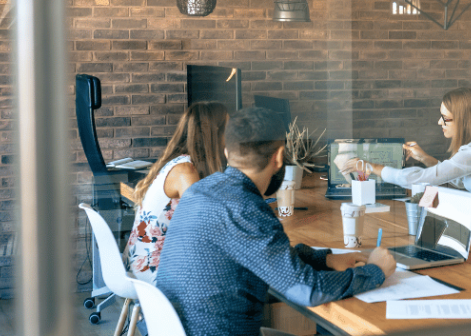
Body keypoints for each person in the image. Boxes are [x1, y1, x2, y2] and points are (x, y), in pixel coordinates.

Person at [155, 107, 396, 335]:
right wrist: (375, 271)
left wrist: (326, 259)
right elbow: (307, 290)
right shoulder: (245, 207)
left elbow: (265, 255)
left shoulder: (202, 189)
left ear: (227, 152)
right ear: (279, 157)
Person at [337, 87, 471, 201]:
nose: (439, 122)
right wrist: (425, 158)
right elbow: (458, 180)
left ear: (464, 120)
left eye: (445, 118)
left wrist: (375, 168)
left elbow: (424, 178)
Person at [123, 101, 228, 284]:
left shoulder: (180, 163)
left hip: (142, 261)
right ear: (215, 135)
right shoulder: (185, 171)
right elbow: (203, 225)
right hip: (152, 270)